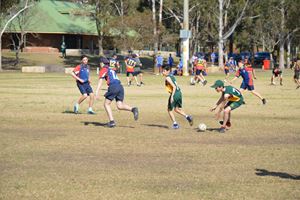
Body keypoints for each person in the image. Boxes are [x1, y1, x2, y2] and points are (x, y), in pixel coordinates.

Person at [95, 58, 139, 128]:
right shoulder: (111, 69)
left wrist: (96, 92)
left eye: (100, 63)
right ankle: (133, 109)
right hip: (120, 87)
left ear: (102, 63)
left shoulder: (104, 69)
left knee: (106, 104)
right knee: (119, 105)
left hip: (113, 86)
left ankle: (112, 122)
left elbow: (100, 81)